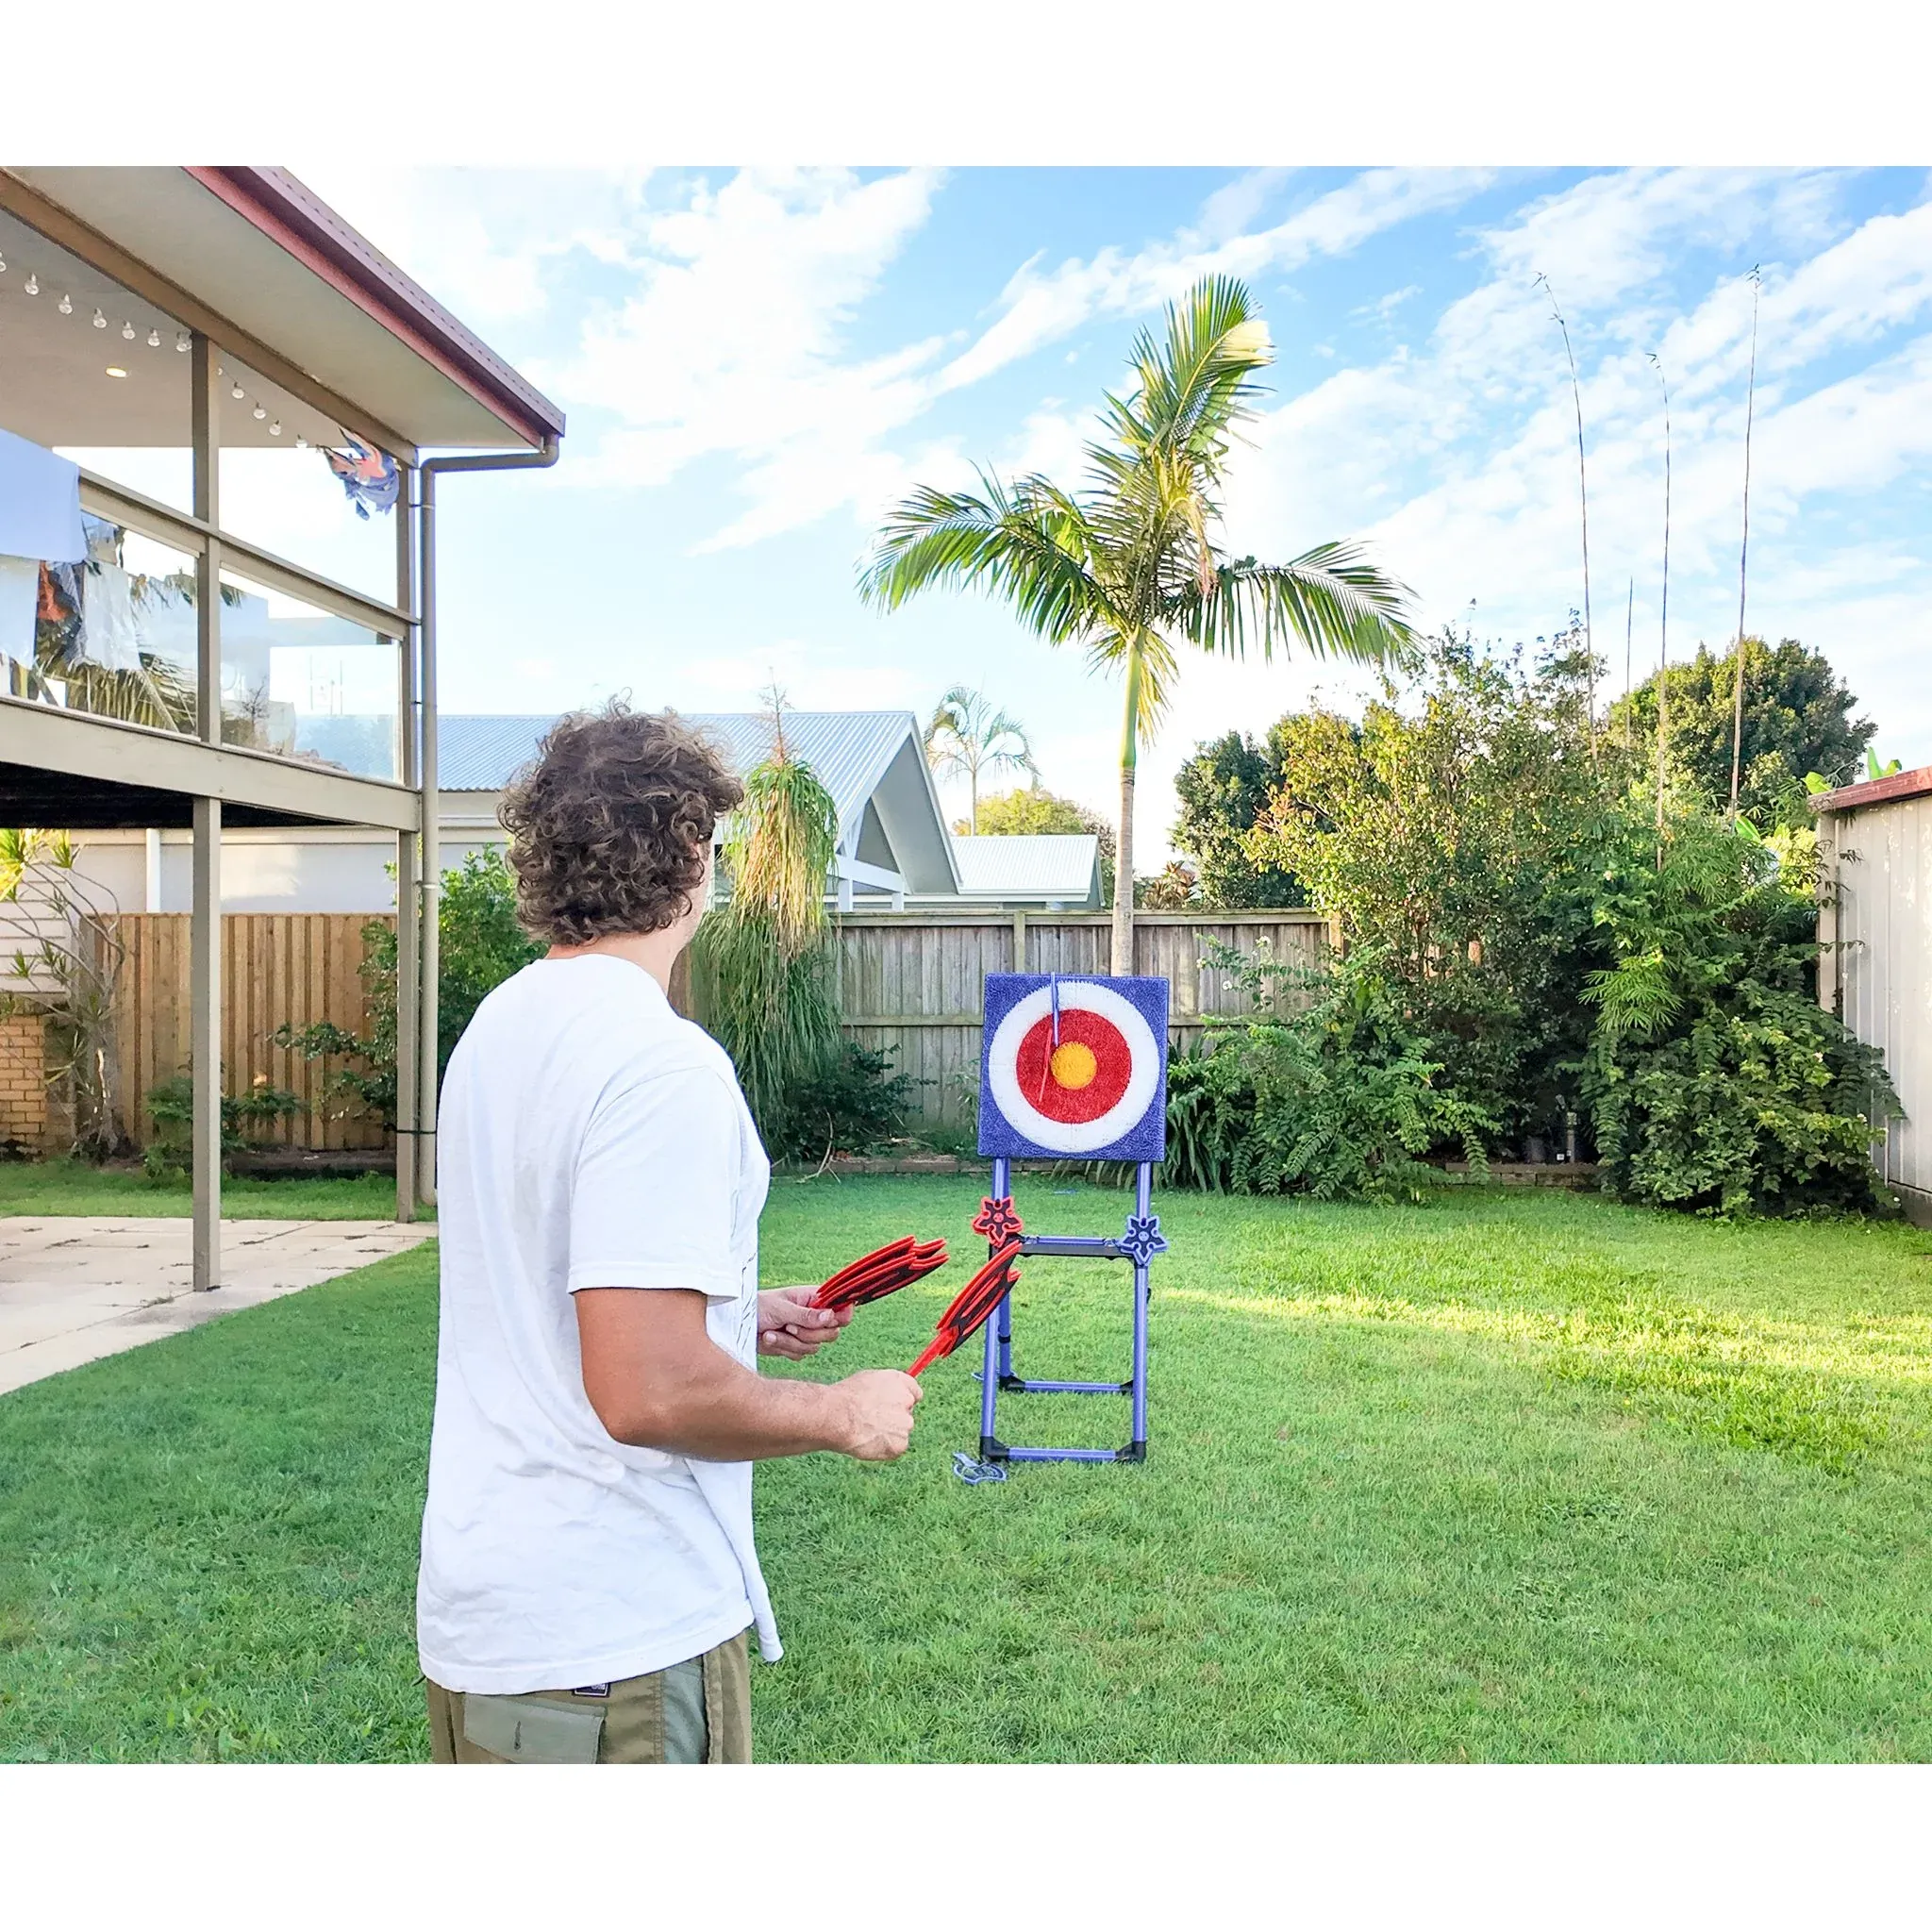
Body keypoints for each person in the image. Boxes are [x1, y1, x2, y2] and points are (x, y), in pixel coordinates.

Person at [417, 702, 923, 1764]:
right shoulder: (660, 1060)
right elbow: (645, 1386)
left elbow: (559, 1277)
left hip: (494, 1619)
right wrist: (839, 1412)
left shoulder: (500, 1027)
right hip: (613, 1637)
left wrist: (734, 1307)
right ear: (692, 856)